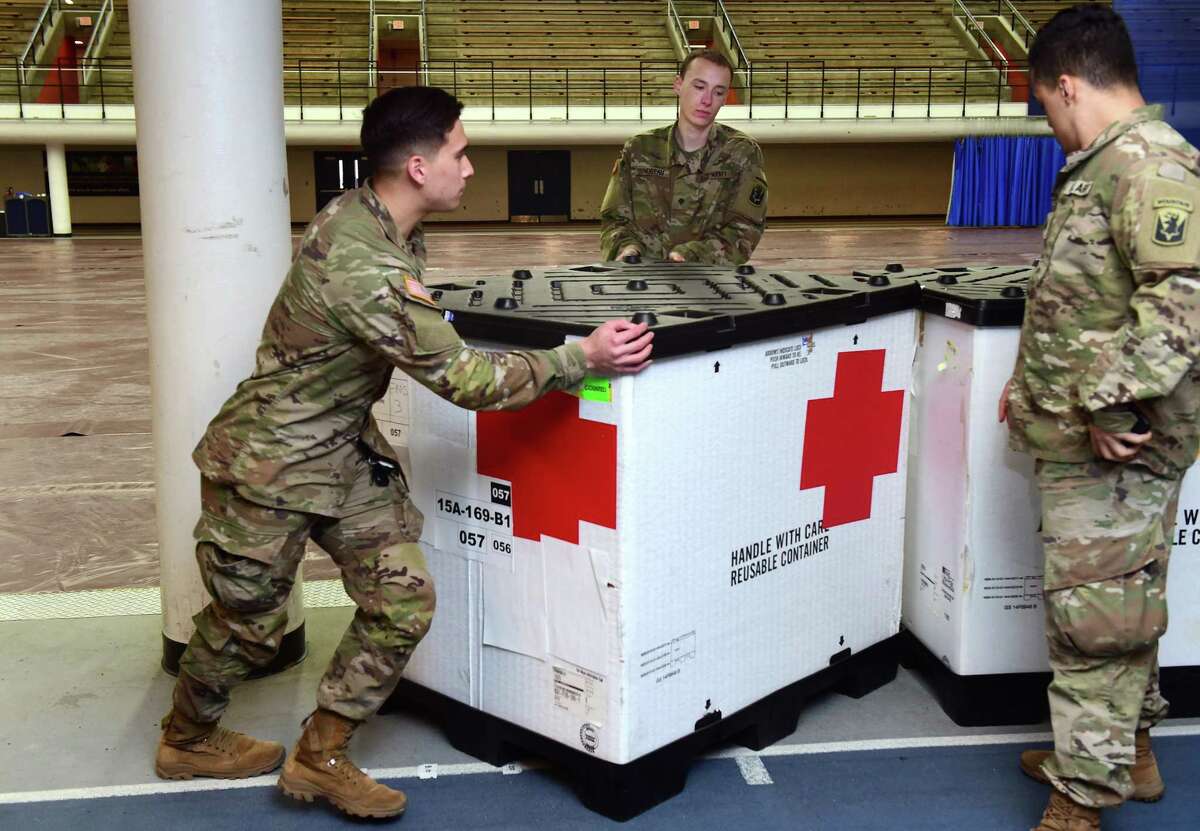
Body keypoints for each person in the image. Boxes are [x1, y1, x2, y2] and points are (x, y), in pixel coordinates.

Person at [153, 86, 654, 819]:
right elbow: (465, 378)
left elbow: (414, 321)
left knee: (402, 599)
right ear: (419, 167)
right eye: (460, 151)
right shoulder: (367, 265)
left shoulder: (382, 223)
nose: (471, 168)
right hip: (269, 465)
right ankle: (186, 737)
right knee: (246, 627)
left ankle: (320, 754)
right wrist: (580, 357)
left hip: (340, 451)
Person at [999, 5, 1200, 830]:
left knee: (1093, 618)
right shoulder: (1105, 164)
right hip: (1084, 436)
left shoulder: (1150, 165)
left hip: (1119, 445)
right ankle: (1129, 753)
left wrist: (1109, 399)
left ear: (1070, 84)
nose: (1050, 122)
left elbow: (1184, 302)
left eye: (1047, 104)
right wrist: (1029, 383)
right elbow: (1080, 301)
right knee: (1119, 603)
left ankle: (1082, 796)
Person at [599, 48, 767, 265]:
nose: (707, 100)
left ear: (725, 98)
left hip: (710, 285)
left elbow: (745, 230)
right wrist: (625, 248)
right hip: (642, 282)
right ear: (678, 85)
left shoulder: (741, 153)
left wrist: (691, 256)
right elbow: (614, 220)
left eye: (718, 92)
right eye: (699, 87)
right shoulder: (639, 149)